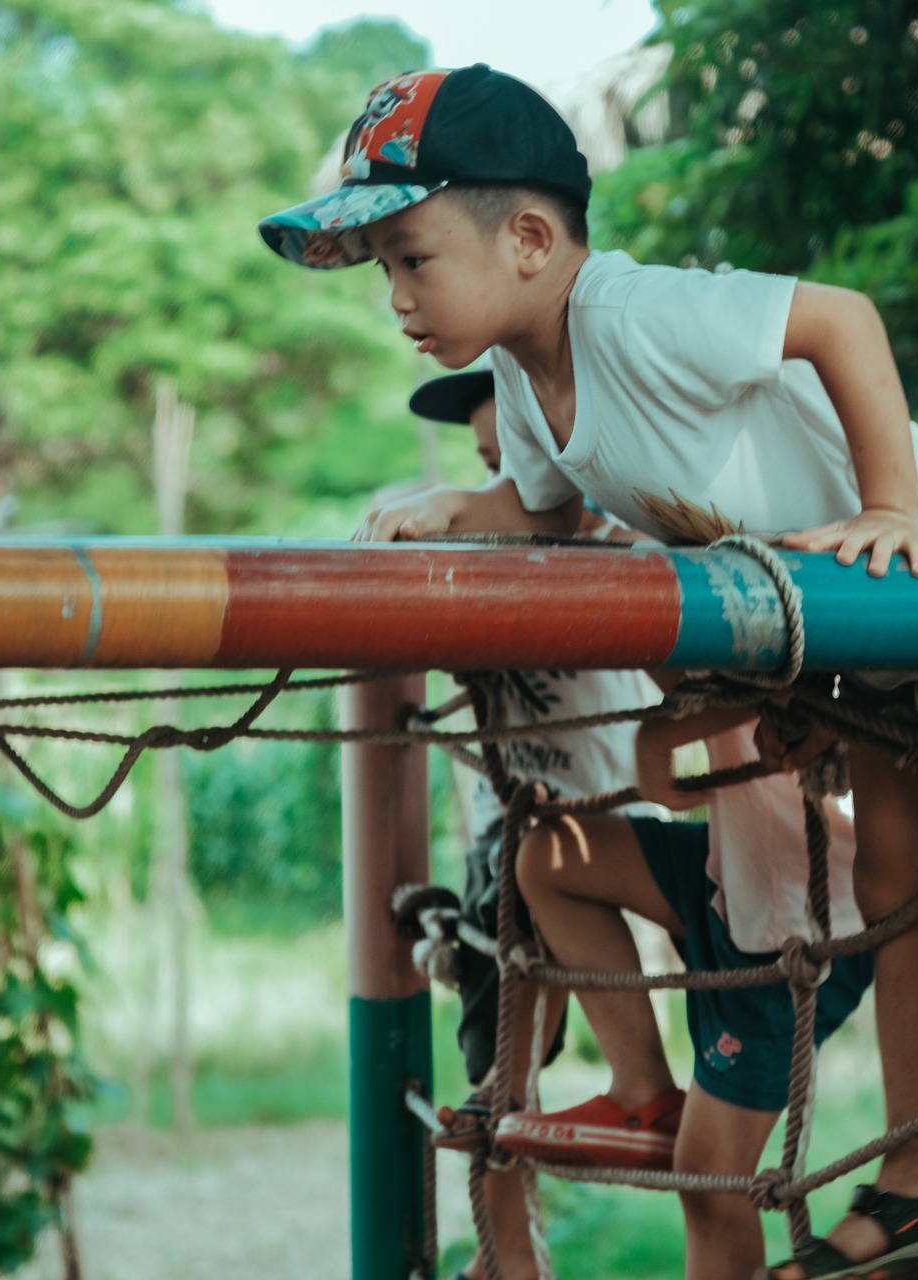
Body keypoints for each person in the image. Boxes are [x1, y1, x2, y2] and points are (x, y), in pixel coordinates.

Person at [259, 64, 918, 1277]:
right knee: (905, 873)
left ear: (530, 238)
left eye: (412, 257)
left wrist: (890, 504)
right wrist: (458, 510)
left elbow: (841, 317)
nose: (396, 296)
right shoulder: (531, 385)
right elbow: (542, 513)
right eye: (382, 269)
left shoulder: (635, 317)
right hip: (874, 627)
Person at [398, 369, 662, 1280]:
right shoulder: (473, 563)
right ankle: (508, 1257)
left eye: (530, 469)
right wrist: (439, 519)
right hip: (502, 845)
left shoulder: (629, 554)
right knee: (497, 1082)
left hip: (609, 831)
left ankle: (633, 1106)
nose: (507, 491)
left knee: (512, 1071)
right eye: (488, 468)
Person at [499, 699, 875, 1280]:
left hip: (799, 916)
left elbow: (802, 669)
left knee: (708, 1178)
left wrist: (658, 738)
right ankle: (641, 1091)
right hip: (734, 864)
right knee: (550, 857)